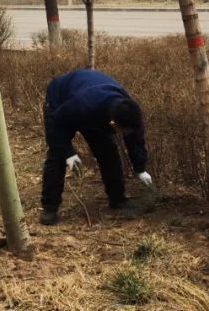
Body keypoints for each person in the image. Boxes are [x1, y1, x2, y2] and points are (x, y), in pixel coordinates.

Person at [40, 69, 152, 225]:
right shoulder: (82, 105)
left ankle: (118, 200)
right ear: (113, 124)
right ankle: (50, 208)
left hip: (93, 106)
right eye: (123, 131)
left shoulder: (130, 112)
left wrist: (140, 168)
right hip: (61, 101)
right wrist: (68, 153)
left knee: (109, 153)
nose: (125, 134)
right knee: (57, 156)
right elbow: (55, 126)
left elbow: (135, 138)